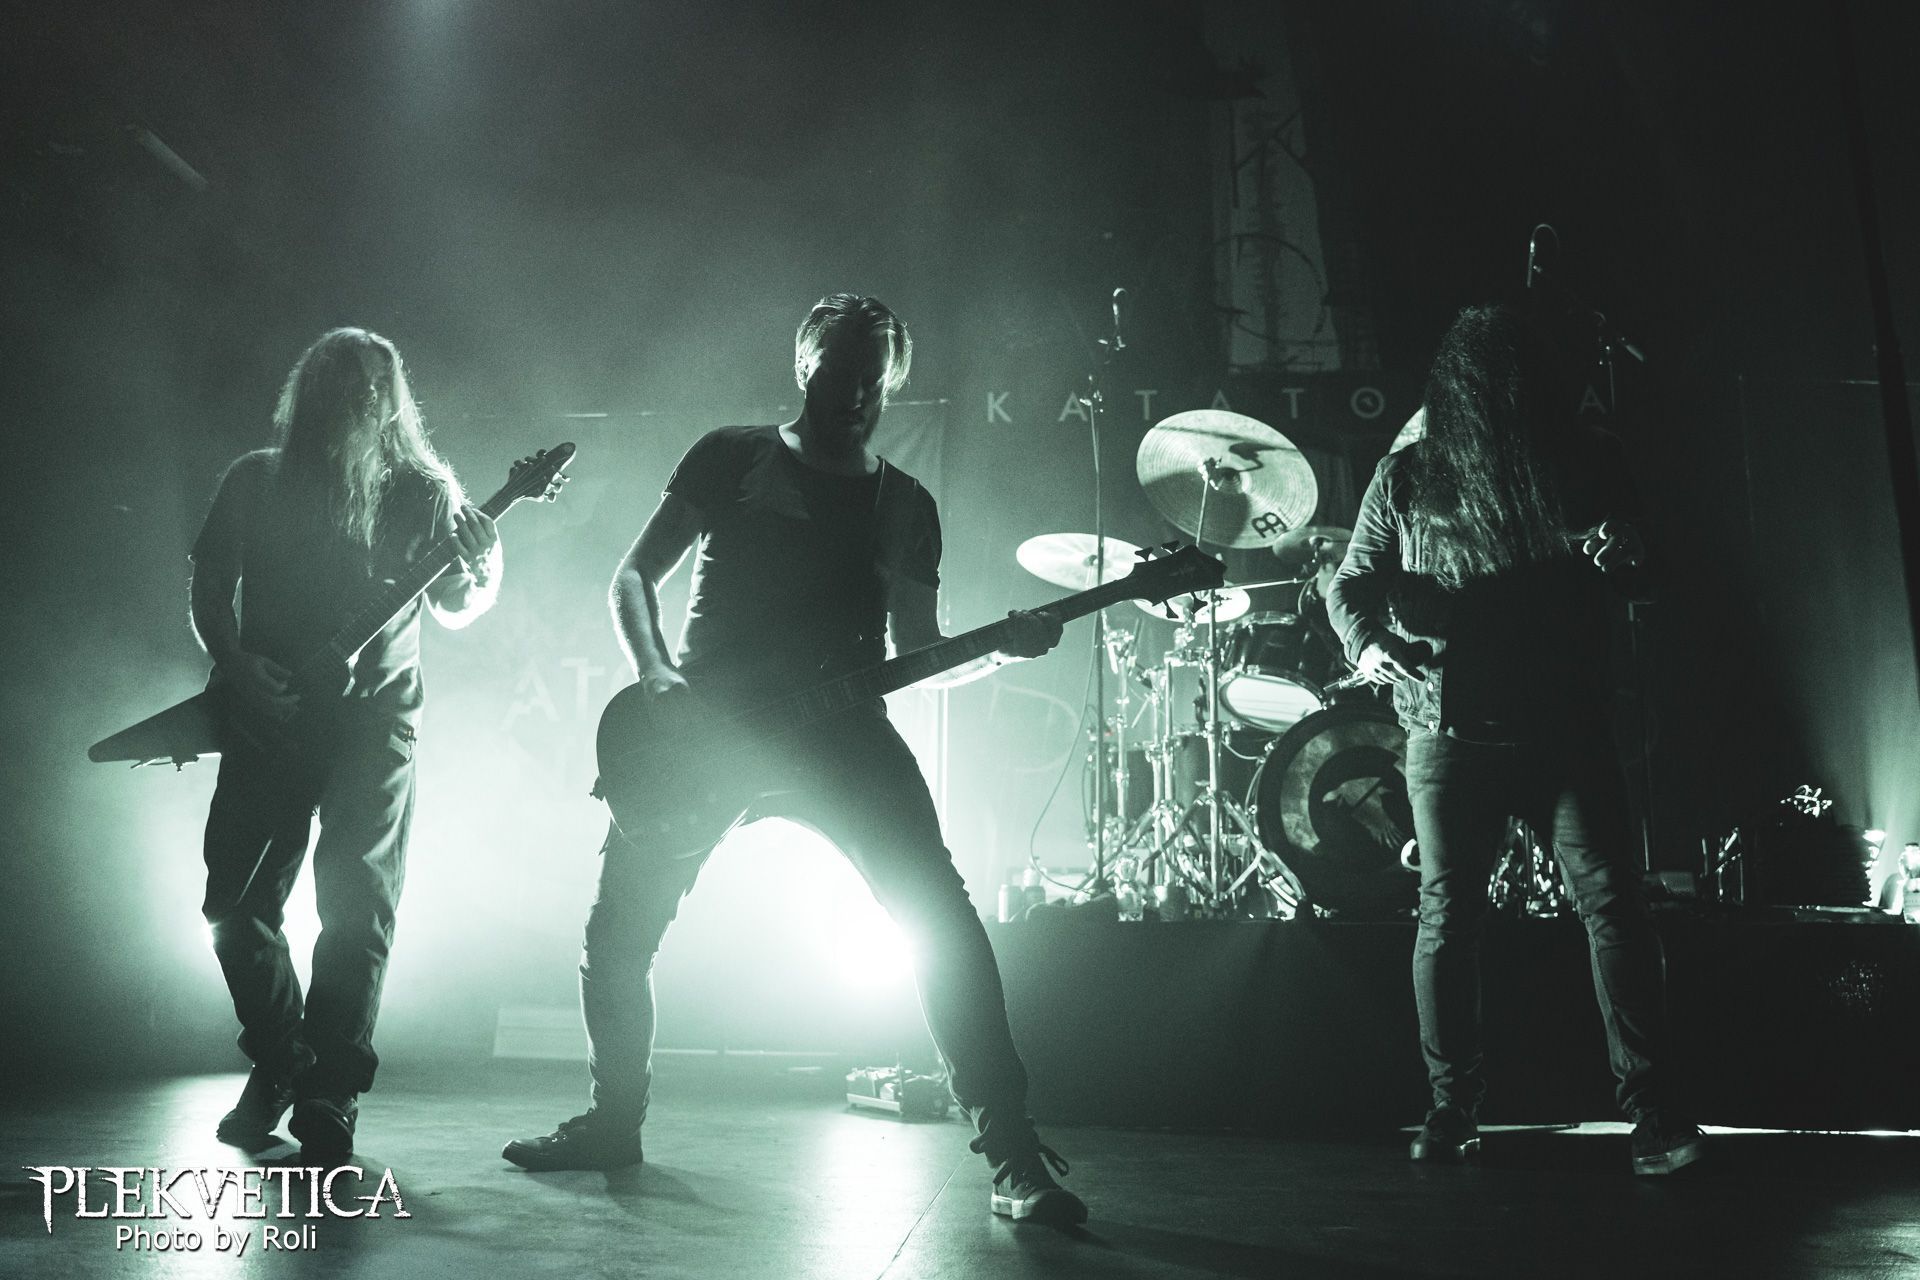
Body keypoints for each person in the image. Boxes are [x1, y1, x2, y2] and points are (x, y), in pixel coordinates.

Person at [501, 294, 1088, 1225]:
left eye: (870, 381)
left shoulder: (906, 504)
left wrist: (1000, 651)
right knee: (617, 935)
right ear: (804, 368)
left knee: (941, 919)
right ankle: (614, 1123)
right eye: (836, 375)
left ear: (890, 383)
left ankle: (1014, 1156)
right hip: (703, 727)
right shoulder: (731, 455)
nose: (852, 396)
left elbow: (921, 651)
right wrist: (656, 673)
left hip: (842, 734)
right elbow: (633, 576)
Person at [1326, 302, 1703, 1175]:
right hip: (1449, 725)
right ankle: (1453, 1107)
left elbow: (1648, 573)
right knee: (1455, 916)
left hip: (1563, 725)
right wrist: (1369, 644)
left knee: (1605, 908)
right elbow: (1351, 582)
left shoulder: (1588, 460)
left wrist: (1628, 554)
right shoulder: (1410, 474)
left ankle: (1651, 1111)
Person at [191, 327, 501, 1161]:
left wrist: (480, 567)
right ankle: (285, 1057)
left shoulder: (425, 492)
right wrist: (236, 663)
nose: (356, 402)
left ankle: (329, 1089)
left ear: (391, 402)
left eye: (371, 388)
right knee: (233, 904)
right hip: (273, 715)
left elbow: (458, 605)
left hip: (374, 723)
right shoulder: (256, 478)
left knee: (356, 903)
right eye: (340, 384)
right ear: (311, 393)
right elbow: (210, 587)